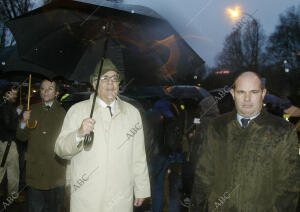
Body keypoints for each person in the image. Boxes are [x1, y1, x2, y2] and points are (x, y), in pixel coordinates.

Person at [190, 71, 300, 212]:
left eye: (253, 92)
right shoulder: (217, 127)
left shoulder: (283, 131)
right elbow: (203, 176)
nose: (247, 99)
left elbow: (289, 187)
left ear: (263, 93)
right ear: (233, 94)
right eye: (241, 92)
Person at [55, 59, 150, 212]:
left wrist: (142, 188)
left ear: (119, 84)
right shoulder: (77, 111)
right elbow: (60, 150)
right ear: (94, 84)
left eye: (114, 79)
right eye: (104, 78)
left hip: (120, 196)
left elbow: (138, 156)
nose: (110, 83)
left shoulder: (132, 113)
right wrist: (78, 133)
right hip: (87, 196)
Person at [17, 79, 66, 212]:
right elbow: (21, 136)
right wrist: (23, 121)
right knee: (35, 208)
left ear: (56, 93)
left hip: (55, 173)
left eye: (50, 89)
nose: (45, 91)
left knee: (53, 208)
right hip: (35, 172)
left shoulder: (64, 113)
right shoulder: (32, 110)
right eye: (43, 89)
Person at [0, 84, 22, 197]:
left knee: (2, 168)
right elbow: (10, 126)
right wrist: (19, 116)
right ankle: (12, 196)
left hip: (3, 142)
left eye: (16, 93)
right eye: (12, 93)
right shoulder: (6, 106)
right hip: (8, 142)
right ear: (6, 94)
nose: (15, 95)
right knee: (13, 170)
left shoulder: (6, 105)